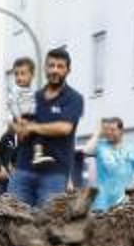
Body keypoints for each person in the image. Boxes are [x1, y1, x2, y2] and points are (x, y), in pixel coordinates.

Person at [8, 47, 84, 208]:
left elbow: (64, 128)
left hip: (54, 174)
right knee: (11, 219)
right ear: (45, 68)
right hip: (23, 169)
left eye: (60, 66)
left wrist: (33, 127)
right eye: (51, 65)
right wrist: (17, 127)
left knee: (47, 224)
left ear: (68, 70)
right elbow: (21, 134)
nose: (54, 70)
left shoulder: (74, 98)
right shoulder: (32, 97)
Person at [83, 117, 134, 213]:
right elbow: (86, 150)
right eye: (107, 130)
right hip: (103, 202)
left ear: (121, 131)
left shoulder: (132, 149)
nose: (109, 133)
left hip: (127, 202)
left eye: (112, 130)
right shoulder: (100, 146)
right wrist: (98, 132)